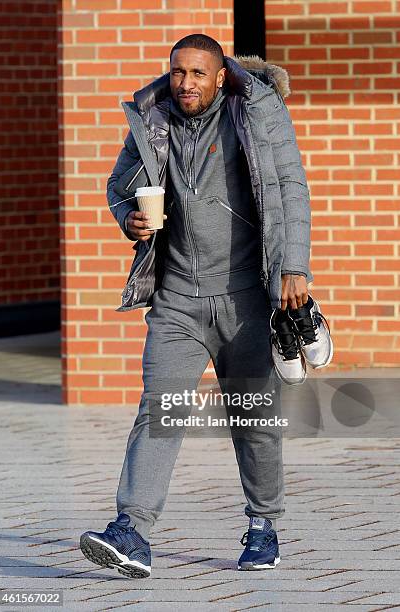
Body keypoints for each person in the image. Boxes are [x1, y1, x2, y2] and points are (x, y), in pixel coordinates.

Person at [80, 34, 323, 578]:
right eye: (177, 72)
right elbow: (121, 185)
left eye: (196, 73)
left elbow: (291, 187)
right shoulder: (153, 119)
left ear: (219, 76)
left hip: (245, 298)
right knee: (158, 411)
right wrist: (131, 220)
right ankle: (132, 530)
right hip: (176, 299)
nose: (184, 82)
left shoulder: (256, 112)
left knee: (254, 417)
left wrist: (293, 266)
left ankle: (263, 525)